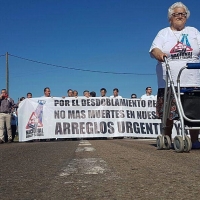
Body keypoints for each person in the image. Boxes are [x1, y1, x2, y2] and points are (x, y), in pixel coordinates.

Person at [149, 2, 200, 148]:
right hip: (169, 81)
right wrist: (159, 54)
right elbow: (154, 49)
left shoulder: (194, 32)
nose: (180, 16)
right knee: (168, 112)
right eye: (177, 14)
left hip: (192, 80)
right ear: (170, 17)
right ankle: (166, 137)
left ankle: (195, 139)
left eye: (183, 14)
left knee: (194, 112)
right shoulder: (163, 33)